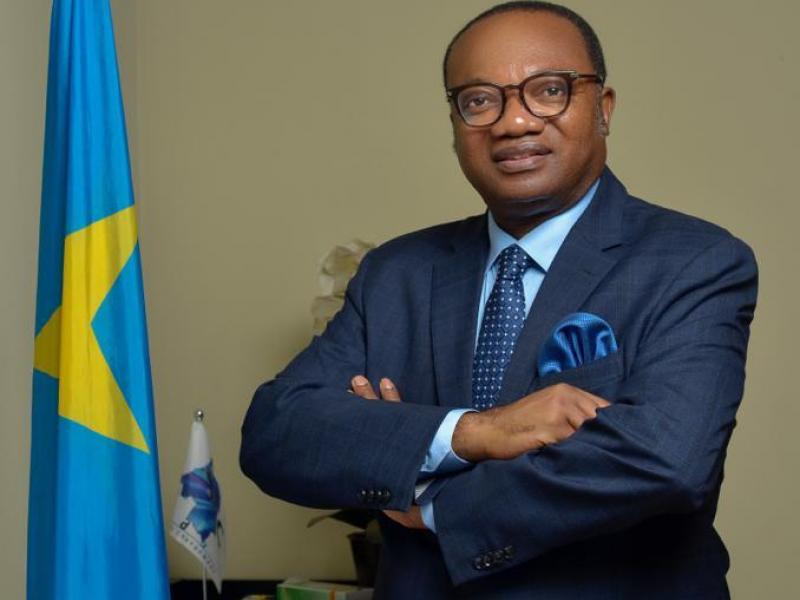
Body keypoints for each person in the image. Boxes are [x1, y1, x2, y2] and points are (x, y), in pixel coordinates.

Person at [240, 2, 758, 598]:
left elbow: (666, 460)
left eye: (549, 91)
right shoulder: (397, 273)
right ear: (455, 122)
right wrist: (473, 432)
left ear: (604, 107)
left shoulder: (694, 261)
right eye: (480, 99)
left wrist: (436, 503)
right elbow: (276, 433)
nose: (513, 122)